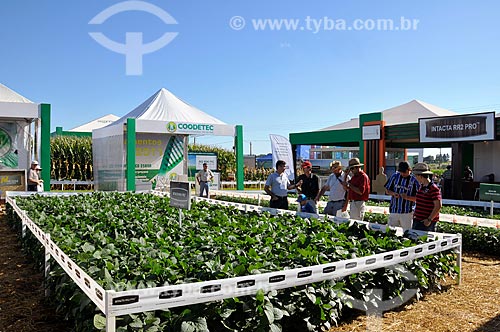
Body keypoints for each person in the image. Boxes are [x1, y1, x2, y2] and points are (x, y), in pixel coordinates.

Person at [384, 161, 420, 231]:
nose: (402, 174)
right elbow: (387, 190)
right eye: (401, 172)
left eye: (404, 172)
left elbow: (418, 198)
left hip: (407, 212)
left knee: (407, 232)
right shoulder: (395, 176)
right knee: (390, 231)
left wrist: (407, 197)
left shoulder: (415, 180)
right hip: (394, 210)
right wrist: (394, 194)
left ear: (409, 170)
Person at [407, 162, 442, 232]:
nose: (415, 178)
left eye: (416, 176)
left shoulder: (433, 188)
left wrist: (429, 219)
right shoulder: (422, 186)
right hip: (418, 219)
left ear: (420, 176)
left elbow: (438, 205)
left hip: (426, 222)